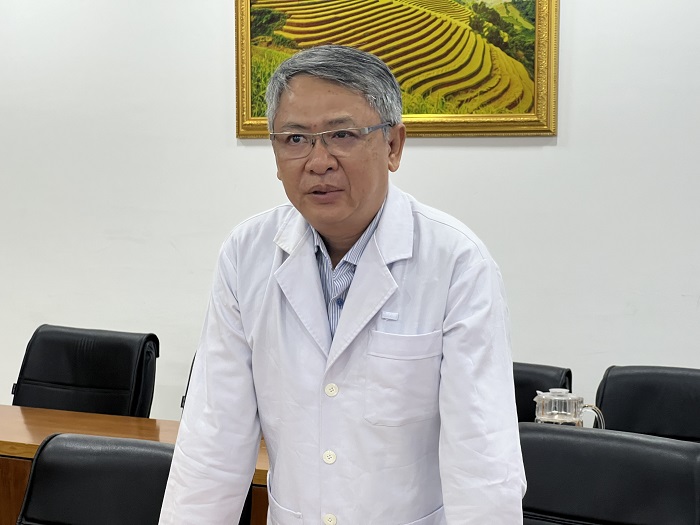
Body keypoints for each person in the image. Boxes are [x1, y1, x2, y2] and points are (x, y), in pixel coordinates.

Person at [159, 44, 526, 525]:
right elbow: (212, 439)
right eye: (295, 138)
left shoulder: (456, 262)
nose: (318, 161)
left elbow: (481, 463)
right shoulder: (246, 254)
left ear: (393, 146)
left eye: (342, 135)